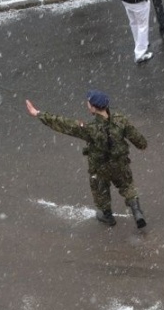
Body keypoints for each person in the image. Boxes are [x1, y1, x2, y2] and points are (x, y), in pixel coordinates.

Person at [24, 91, 148, 228]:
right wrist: (137, 144)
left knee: (100, 190)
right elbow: (140, 142)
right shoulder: (121, 120)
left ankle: (107, 216)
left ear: (93, 108)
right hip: (120, 164)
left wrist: (38, 114)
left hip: (100, 168)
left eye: (89, 103)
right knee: (127, 186)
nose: (87, 105)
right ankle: (137, 212)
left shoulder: (90, 129)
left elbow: (65, 124)